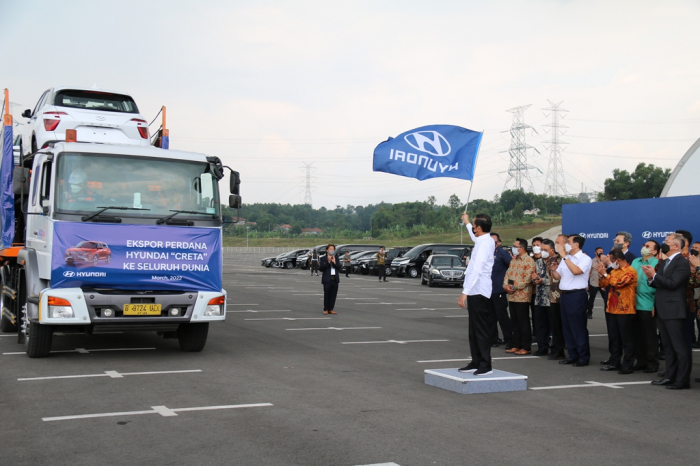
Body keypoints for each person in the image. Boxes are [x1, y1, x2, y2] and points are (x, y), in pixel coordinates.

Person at [643, 233, 692, 389]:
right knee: (668, 347)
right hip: (662, 309)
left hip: (674, 310)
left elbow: (673, 283)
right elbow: (658, 283)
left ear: (676, 246)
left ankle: (682, 380)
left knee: (679, 347)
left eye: (666, 242)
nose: (664, 243)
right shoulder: (665, 262)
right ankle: (669, 376)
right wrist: (651, 277)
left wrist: (655, 275)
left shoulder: (682, 262)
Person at [457, 213, 496, 376]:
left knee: (480, 330)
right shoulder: (482, 240)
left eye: (473, 225)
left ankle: (485, 364)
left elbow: (477, 270)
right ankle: (476, 361)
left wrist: (464, 293)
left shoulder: (485, 244)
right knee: (473, 330)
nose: (472, 227)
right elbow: (474, 237)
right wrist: (466, 222)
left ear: (479, 228)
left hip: (479, 291)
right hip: (475, 291)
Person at [552, 234, 592, 366]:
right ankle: (572, 355)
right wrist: (553, 270)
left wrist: (564, 257)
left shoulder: (584, 259)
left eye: (568, 242)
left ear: (576, 244)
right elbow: (558, 276)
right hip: (564, 295)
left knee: (578, 326)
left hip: (577, 295)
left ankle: (583, 356)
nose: (565, 245)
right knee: (567, 327)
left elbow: (576, 271)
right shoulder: (566, 258)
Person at [596, 249, 638, 374]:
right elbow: (604, 284)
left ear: (618, 260)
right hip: (612, 308)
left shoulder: (630, 271)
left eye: (613, 260)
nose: (612, 263)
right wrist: (601, 274)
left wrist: (605, 274)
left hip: (625, 309)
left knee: (627, 339)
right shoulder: (613, 271)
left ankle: (628, 364)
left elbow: (619, 283)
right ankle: (614, 362)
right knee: (614, 338)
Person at [630, 240, 660, 373]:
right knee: (636, 334)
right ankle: (640, 361)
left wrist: (655, 304)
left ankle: (652, 362)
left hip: (648, 303)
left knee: (649, 336)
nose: (644, 248)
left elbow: (659, 285)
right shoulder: (636, 261)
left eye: (648, 246)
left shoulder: (657, 263)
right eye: (643, 245)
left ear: (654, 251)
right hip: (633, 303)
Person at [503, 238, 536, 356]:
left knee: (523, 322)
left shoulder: (529, 261)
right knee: (514, 321)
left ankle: (526, 346)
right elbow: (507, 274)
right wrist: (505, 286)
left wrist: (514, 287)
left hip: (522, 296)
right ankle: (516, 345)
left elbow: (527, 280)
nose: (513, 248)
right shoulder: (513, 260)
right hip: (512, 296)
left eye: (514, 246)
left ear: (521, 248)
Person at [675, 230, 700, 351]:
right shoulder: (671, 259)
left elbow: (694, 283)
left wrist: (696, 269)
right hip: (673, 303)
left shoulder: (692, 260)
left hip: (688, 303)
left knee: (686, 339)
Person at [490, 232, 513, 350]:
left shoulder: (502, 253)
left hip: (499, 289)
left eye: (494, 241)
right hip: (487, 290)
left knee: (502, 316)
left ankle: (509, 339)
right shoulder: (485, 253)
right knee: (490, 316)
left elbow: (512, 266)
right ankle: (493, 338)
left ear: (499, 242)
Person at [544, 238, 565, 360]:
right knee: (555, 325)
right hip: (553, 296)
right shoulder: (552, 259)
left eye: (558, 243)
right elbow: (549, 274)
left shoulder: (568, 259)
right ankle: (557, 350)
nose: (556, 245)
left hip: (566, 295)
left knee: (567, 325)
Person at [531, 238, 551, 356]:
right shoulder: (538, 262)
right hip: (539, 298)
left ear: (552, 251)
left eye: (544, 249)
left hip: (551, 299)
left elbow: (555, 279)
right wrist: (535, 278)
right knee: (539, 324)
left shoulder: (555, 262)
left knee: (552, 325)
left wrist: (542, 280)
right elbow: (536, 276)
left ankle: (556, 348)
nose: (541, 251)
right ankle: (542, 347)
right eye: (541, 249)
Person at [319, 244, 340, 315]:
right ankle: (326, 309)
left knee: (333, 295)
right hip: (327, 279)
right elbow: (321, 268)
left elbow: (339, 267)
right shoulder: (323, 258)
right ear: (327, 250)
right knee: (327, 294)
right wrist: (328, 262)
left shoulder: (336, 258)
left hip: (335, 279)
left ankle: (331, 308)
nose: (332, 250)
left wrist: (334, 262)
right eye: (330, 249)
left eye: (333, 249)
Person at [587, 247, 606, 319]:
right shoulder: (591, 261)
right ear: (595, 253)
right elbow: (589, 272)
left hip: (603, 283)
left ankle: (607, 312)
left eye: (602, 251)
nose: (601, 252)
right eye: (599, 251)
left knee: (605, 298)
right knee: (591, 299)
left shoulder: (605, 261)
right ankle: (589, 312)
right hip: (593, 283)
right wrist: (587, 283)